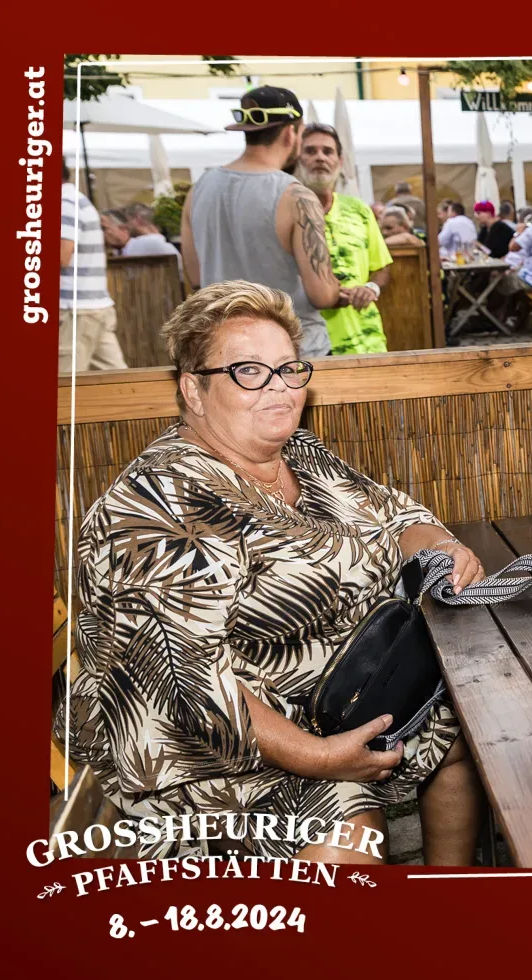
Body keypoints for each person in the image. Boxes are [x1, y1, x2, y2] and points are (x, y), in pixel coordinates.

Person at [58, 280, 488, 864]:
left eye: (288, 368)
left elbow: (393, 513)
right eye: (249, 372)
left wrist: (441, 545)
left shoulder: (300, 454)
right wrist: (323, 757)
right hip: (205, 755)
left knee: (467, 729)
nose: (280, 388)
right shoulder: (157, 506)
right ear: (193, 389)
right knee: (350, 824)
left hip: (341, 695)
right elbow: (189, 687)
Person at [182, 85, 340, 359]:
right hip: (293, 352)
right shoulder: (297, 197)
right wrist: (338, 287)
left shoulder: (198, 189)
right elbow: (323, 296)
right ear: (291, 133)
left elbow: (196, 278)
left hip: (227, 351)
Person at [297, 123, 392, 355]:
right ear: (298, 160)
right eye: (310, 151)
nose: (320, 157)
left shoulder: (359, 209)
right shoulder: (285, 212)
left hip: (366, 342)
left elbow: (381, 268)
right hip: (307, 346)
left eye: (328, 151)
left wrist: (370, 288)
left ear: (339, 162)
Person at [59, 161, 124, 372]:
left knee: (63, 383)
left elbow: (61, 256)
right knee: (117, 379)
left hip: (75, 310)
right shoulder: (76, 199)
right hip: (92, 307)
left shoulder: (63, 202)